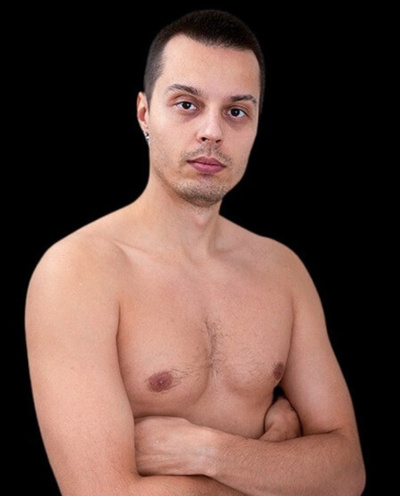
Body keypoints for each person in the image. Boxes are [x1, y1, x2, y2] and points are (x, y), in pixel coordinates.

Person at [25, 8, 366, 496]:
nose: (212, 131)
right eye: (187, 104)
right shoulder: (78, 273)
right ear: (145, 113)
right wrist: (279, 468)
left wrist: (209, 451)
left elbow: (347, 472)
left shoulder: (282, 271)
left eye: (236, 111)